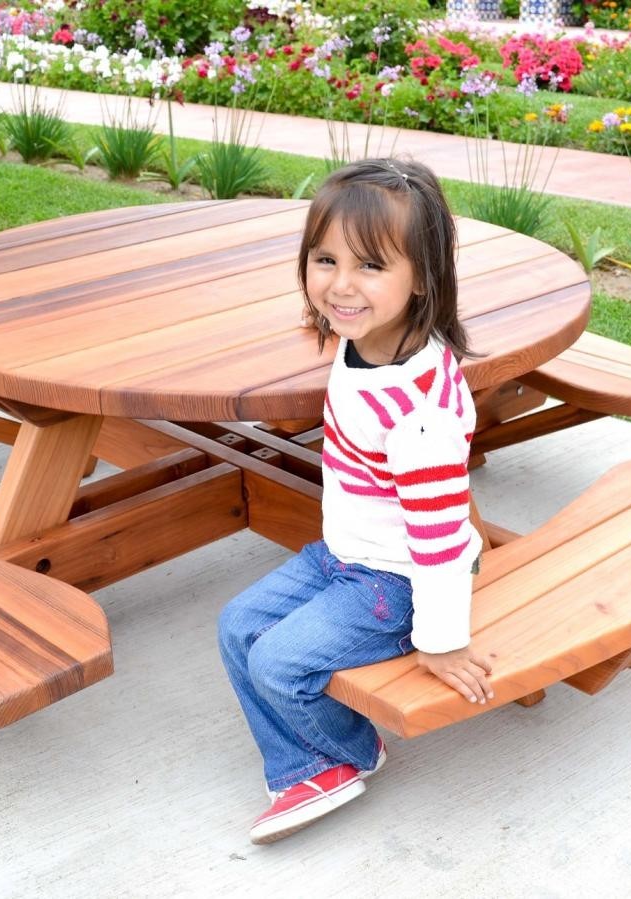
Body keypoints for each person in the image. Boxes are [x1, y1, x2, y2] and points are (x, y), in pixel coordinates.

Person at [217, 157, 493, 845]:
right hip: (347, 556)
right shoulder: (363, 340)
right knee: (236, 625)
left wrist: (440, 640)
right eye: (324, 259)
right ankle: (306, 762)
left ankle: (344, 752)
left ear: (423, 278)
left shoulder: (418, 414)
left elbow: (436, 537)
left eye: (371, 266)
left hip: (398, 580)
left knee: (278, 662)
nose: (341, 285)